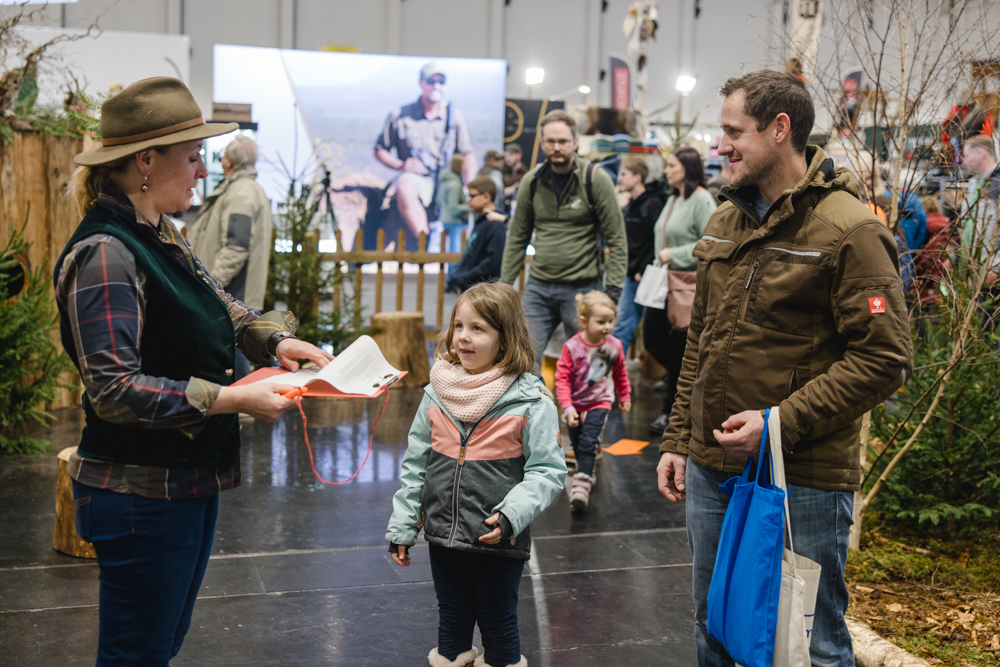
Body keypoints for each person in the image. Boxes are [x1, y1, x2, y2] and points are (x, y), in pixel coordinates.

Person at [55, 77, 332, 667]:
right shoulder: (106, 251)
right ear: (146, 162)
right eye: (193, 156)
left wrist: (276, 340)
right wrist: (235, 399)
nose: (203, 170)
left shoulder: (160, 230)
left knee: (159, 644)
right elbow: (113, 391)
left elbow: (219, 304)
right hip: (137, 491)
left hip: (181, 479)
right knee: (136, 654)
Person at [656, 70, 913, 667]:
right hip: (712, 468)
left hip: (803, 477)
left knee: (808, 642)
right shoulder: (726, 220)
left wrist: (777, 424)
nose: (720, 145)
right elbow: (701, 342)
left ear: (779, 129)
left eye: (733, 131)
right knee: (715, 627)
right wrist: (679, 439)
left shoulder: (851, 230)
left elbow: (885, 358)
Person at [386, 282, 566, 667]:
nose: (463, 337)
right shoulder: (436, 392)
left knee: (498, 623)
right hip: (443, 536)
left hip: (496, 538)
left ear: (505, 340)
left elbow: (547, 470)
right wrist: (403, 524)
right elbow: (416, 464)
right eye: (458, 326)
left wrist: (511, 515)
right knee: (451, 620)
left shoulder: (530, 400)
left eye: (478, 328)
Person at [499, 109, 628, 373]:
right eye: (550, 141)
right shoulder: (531, 181)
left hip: (582, 289)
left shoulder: (595, 179)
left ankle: (584, 403)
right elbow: (517, 237)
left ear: (575, 142)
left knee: (586, 368)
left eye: (563, 141)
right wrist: (504, 285)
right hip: (539, 287)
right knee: (522, 361)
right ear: (542, 143)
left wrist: (613, 289)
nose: (556, 147)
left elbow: (617, 238)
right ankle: (535, 402)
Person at [644, 147, 716, 435]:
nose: (666, 170)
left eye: (672, 165)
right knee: (653, 338)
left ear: (687, 168)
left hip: (685, 284)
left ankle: (671, 412)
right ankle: (682, 388)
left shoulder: (702, 199)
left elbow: (709, 241)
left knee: (679, 349)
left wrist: (673, 254)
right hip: (663, 281)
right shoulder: (674, 199)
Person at [187, 134, 272, 379]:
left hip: (234, 293)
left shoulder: (241, 193)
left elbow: (236, 248)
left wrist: (208, 285)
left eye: (223, 154)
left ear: (227, 162)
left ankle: (241, 402)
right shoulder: (240, 189)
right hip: (231, 291)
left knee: (235, 359)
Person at [374, 61, 478, 242]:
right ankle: (426, 240)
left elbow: (467, 153)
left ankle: (459, 249)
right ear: (421, 83)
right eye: (431, 81)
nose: (436, 86)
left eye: (441, 82)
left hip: (446, 179)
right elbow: (380, 149)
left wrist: (468, 185)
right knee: (404, 186)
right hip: (419, 179)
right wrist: (400, 165)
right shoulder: (400, 115)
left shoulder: (453, 116)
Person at [554, 290, 631, 511]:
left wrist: (624, 395)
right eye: (601, 322)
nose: (607, 327)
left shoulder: (614, 346)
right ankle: (587, 469)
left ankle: (581, 485)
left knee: (588, 441)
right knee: (578, 442)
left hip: (600, 401)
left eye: (610, 321)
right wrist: (567, 407)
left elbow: (620, 373)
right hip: (575, 404)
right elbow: (562, 379)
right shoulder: (571, 347)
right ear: (584, 322)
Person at [611, 156, 666, 355]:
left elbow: (657, 239)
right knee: (622, 326)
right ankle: (615, 369)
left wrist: (642, 269)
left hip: (645, 276)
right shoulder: (632, 204)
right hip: (632, 273)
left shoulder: (651, 203)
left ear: (637, 177)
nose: (619, 178)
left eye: (623, 174)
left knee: (643, 328)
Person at [446, 176, 507, 293]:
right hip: (471, 289)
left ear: (486, 197)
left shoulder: (494, 224)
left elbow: (493, 263)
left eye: (472, 196)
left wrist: (465, 277)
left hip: (481, 291)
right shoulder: (481, 221)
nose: (468, 200)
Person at [437, 154, 470, 256]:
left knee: (453, 249)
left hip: (446, 218)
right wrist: (469, 206)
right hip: (454, 221)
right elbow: (453, 208)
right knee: (455, 251)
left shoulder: (446, 180)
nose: (465, 167)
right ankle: (453, 268)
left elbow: (439, 199)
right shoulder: (454, 184)